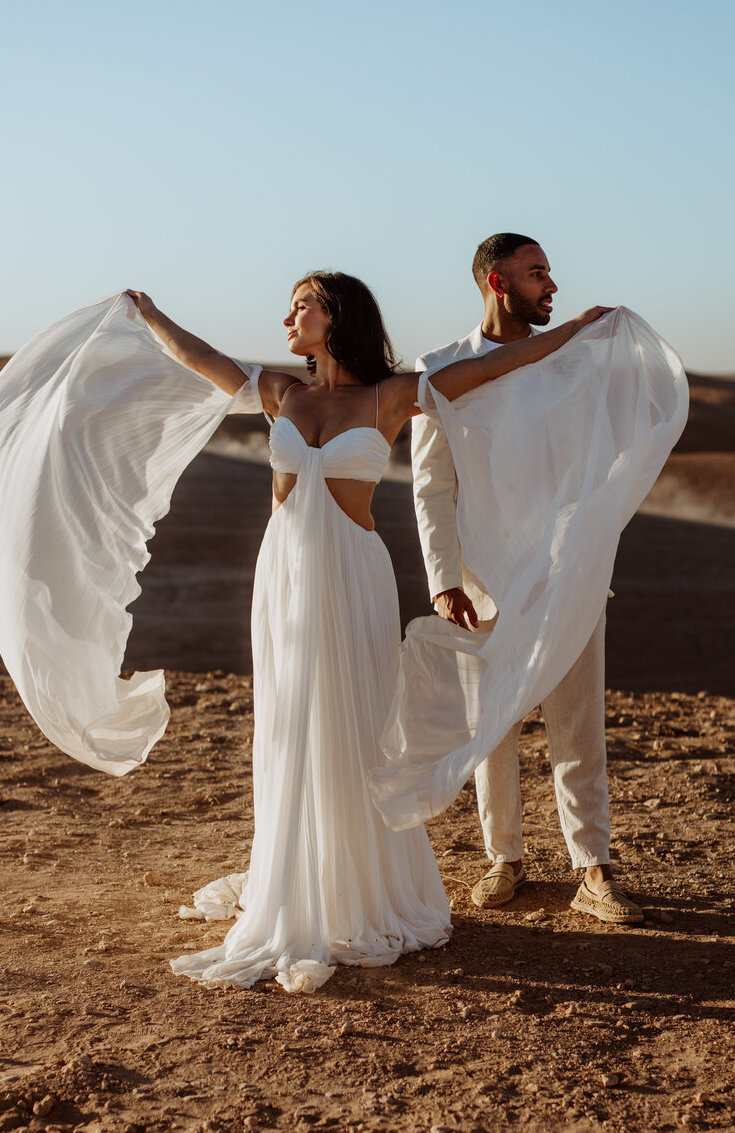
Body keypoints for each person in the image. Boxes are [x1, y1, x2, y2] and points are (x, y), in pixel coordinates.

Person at [126, 273, 606, 991]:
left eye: (302, 304)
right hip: (284, 578)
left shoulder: (390, 396)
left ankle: (363, 890)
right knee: (292, 721)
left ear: (338, 315)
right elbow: (203, 360)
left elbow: (491, 367)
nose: (288, 315)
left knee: (355, 721)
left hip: (354, 578)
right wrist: (151, 314)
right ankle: (298, 877)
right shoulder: (283, 394)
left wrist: (572, 332)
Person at [410, 234, 643, 924]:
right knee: (494, 723)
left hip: (568, 569)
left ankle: (592, 867)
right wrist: (442, 576)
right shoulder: (442, 368)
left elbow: (603, 460)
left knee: (580, 723)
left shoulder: (573, 366)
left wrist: (594, 545)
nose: (553, 285)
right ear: (497, 282)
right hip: (483, 577)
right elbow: (430, 483)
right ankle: (504, 857)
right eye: (537, 273)